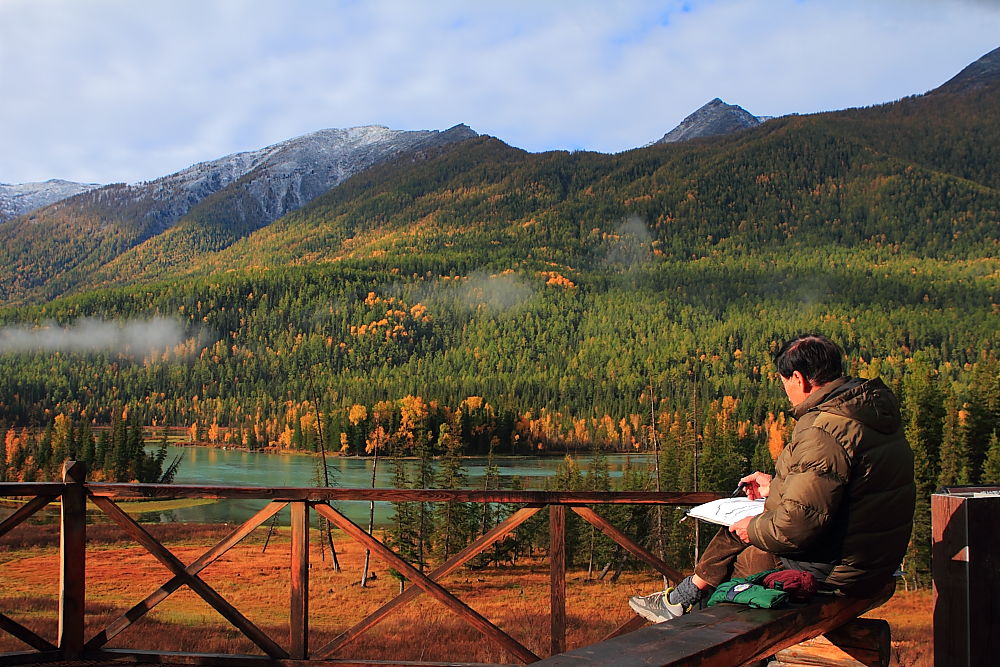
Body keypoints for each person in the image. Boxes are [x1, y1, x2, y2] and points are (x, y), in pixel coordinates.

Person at [629, 334, 916, 622]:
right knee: (739, 535)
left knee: (733, 571)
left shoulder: (823, 430)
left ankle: (691, 613)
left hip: (838, 573)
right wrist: (775, 486)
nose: (786, 390)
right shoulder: (866, 412)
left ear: (798, 378)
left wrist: (752, 529)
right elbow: (843, 491)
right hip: (874, 561)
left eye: (784, 383)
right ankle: (685, 600)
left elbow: (796, 528)